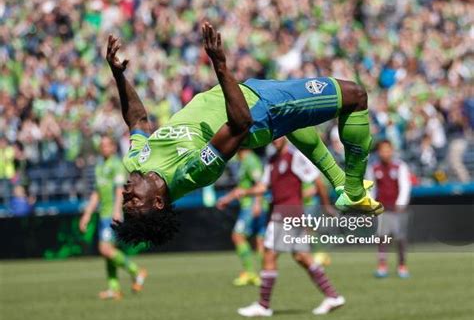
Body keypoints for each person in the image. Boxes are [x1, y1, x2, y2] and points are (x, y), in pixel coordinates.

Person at [109, 22, 382, 246]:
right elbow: (239, 123)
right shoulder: (191, 173)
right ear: (157, 202)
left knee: (297, 120)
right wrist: (220, 66)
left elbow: (138, 119)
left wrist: (119, 76)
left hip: (251, 93)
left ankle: (339, 183)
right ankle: (354, 192)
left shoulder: (136, 162)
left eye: (125, 198)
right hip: (261, 109)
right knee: (355, 96)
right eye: (133, 199)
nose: (126, 192)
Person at [218, 138, 344, 317]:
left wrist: (326, 206)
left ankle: (263, 305)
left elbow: (317, 182)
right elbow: (263, 186)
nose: (275, 140)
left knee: (269, 254)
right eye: (273, 138)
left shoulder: (296, 157)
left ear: (285, 137)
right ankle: (332, 296)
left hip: (287, 214)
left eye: (278, 136)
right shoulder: (272, 160)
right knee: (302, 257)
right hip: (285, 214)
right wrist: (244, 192)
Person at [79, 135, 147, 299]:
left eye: (107, 145)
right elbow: (96, 193)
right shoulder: (99, 167)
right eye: (101, 145)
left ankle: (136, 271)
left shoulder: (116, 165)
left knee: (105, 249)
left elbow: (119, 190)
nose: (104, 147)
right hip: (103, 214)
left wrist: (117, 211)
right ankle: (114, 287)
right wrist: (87, 215)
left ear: (113, 147)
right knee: (108, 251)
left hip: (112, 213)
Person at [217, 149, 268, 287]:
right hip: (252, 205)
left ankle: (251, 272)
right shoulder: (243, 160)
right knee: (259, 240)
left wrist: (257, 204)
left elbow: (260, 184)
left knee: (238, 236)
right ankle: (265, 274)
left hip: (252, 205)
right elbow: (241, 188)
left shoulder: (251, 160)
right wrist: (227, 199)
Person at [367, 140, 411, 278]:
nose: (385, 153)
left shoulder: (400, 166)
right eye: (382, 150)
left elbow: (405, 186)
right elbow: (371, 189)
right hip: (382, 208)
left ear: (392, 150)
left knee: (400, 238)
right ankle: (382, 265)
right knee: (382, 238)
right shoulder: (373, 168)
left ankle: (402, 265)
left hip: (397, 209)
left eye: (387, 149)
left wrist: (401, 203)